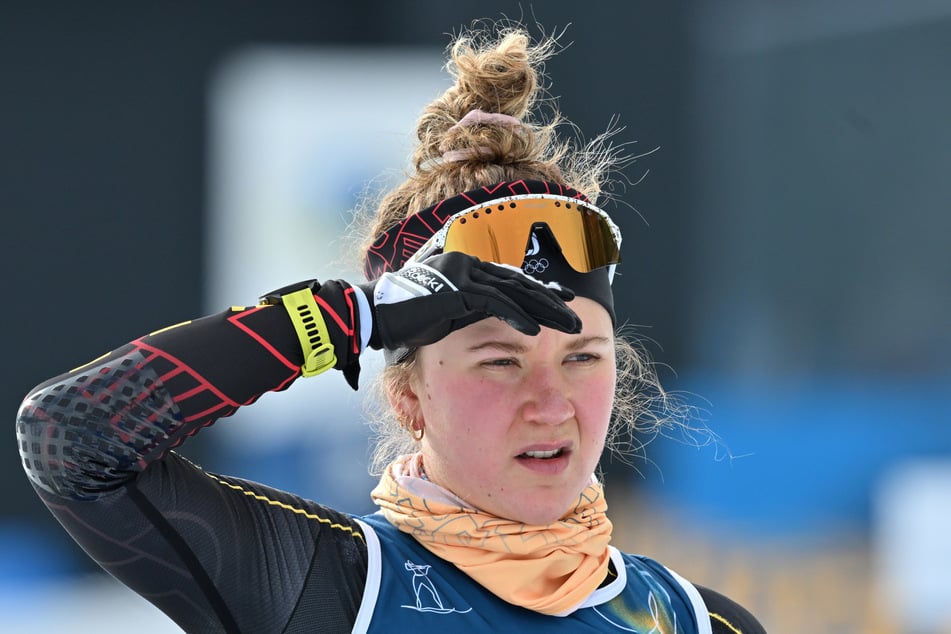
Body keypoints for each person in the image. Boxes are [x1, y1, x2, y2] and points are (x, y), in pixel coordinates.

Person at [15, 22, 766, 634]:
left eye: (581, 357)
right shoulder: (323, 585)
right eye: (499, 361)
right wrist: (357, 315)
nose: (550, 402)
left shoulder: (699, 623)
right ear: (409, 397)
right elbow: (68, 439)